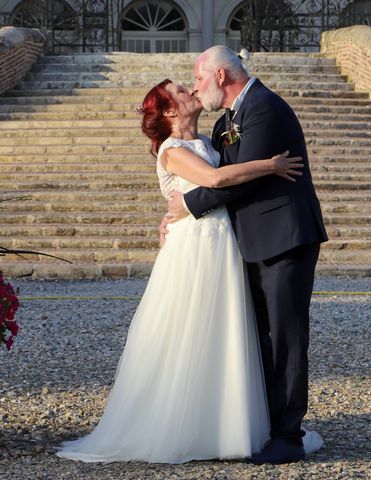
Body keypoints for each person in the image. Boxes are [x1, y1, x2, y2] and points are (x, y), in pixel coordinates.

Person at [56, 78, 321, 463]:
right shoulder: (172, 149)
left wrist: (184, 207)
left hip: (222, 244)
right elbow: (214, 180)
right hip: (195, 248)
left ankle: (226, 422)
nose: (192, 92)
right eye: (182, 91)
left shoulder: (213, 139)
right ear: (168, 111)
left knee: (226, 332)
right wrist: (271, 165)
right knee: (191, 329)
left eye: (191, 84)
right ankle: (183, 423)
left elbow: (216, 185)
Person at [165, 46, 329, 464]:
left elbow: (240, 182)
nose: (197, 90)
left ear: (220, 76)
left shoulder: (265, 109)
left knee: (286, 338)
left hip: (284, 237)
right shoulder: (227, 120)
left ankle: (288, 436)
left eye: (198, 80)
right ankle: (263, 424)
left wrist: (187, 207)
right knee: (258, 339)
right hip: (249, 242)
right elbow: (225, 173)